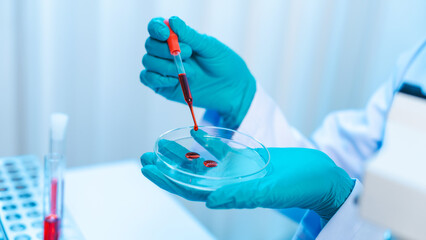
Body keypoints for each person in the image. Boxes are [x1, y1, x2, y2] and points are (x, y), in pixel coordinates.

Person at [139, 16, 426, 239]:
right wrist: (242, 103)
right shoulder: (419, 57)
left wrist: (336, 197)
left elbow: (348, 194)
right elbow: (340, 171)